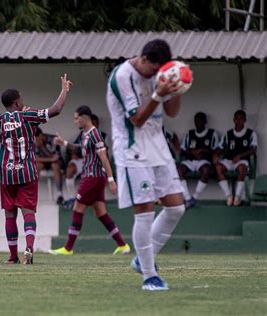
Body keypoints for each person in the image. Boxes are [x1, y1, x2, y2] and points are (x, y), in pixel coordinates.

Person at [0, 74, 72, 264]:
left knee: (10, 214)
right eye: (21, 99)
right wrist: (64, 90)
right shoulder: (28, 116)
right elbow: (56, 109)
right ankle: (29, 248)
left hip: (7, 175)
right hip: (27, 172)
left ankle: (13, 256)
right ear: (17, 102)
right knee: (28, 213)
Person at [106, 39, 186, 291]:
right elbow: (137, 120)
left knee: (176, 208)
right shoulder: (122, 76)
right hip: (132, 149)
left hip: (157, 146)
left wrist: (177, 87)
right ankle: (149, 276)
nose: (155, 75)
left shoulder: (159, 73)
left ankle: (142, 260)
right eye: (153, 70)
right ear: (143, 59)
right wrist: (159, 93)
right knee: (144, 211)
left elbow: (171, 113)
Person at [49, 105, 130, 256]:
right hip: (95, 177)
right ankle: (123, 245)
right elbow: (81, 150)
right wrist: (64, 143)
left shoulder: (95, 134)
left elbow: (104, 157)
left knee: (77, 208)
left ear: (84, 117)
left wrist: (111, 179)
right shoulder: (85, 135)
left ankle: (68, 248)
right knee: (101, 212)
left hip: (93, 177)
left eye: (76, 118)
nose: (75, 121)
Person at [215, 110, 257, 206]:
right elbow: (220, 147)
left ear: (245, 120)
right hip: (229, 160)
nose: (238, 121)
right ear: (233, 120)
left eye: (241, 118)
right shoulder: (228, 133)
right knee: (218, 167)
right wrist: (216, 155)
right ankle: (228, 196)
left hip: (242, 160)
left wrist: (240, 156)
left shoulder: (251, 133)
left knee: (242, 169)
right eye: (236, 119)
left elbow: (253, 150)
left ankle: (237, 197)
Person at [178, 112, 219, 208]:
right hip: (190, 161)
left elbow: (216, 150)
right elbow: (182, 151)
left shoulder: (212, 134)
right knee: (178, 170)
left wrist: (203, 151)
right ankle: (187, 198)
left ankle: (195, 197)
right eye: (195, 121)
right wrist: (192, 152)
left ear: (205, 122)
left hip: (204, 161)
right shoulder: (189, 134)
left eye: (199, 120)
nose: (197, 123)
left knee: (206, 170)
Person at [35, 128, 64, 205]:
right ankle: (31, 194)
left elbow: (56, 158)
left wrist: (42, 147)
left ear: (40, 135)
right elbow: (36, 159)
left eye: (35, 139)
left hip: (56, 162)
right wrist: (49, 158)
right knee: (36, 166)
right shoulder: (34, 142)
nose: (34, 141)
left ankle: (60, 195)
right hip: (45, 161)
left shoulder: (54, 139)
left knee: (55, 165)